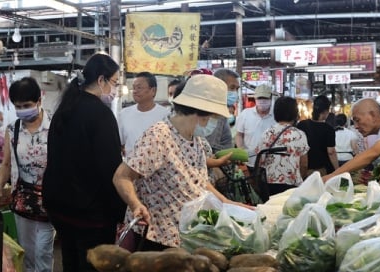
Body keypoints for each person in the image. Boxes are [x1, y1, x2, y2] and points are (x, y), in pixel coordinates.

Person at [112, 75, 246, 250]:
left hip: (185, 236)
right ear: (199, 113)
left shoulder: (196, 140)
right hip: (156, 238)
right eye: (213, 117)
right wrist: (135, 204)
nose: (214, 122)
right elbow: (121, 177)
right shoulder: (159, 136)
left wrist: (225, 202)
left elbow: (198, 180)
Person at [42, 53, 127, 272]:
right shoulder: (100, 114)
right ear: (101, 80)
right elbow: (110, 167)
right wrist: (120, 210)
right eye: (115, 82)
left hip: (61, 207)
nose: (115, 89)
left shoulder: (65, 109)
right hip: (91, 213)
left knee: (70, 268)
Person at [0, 77, 55, 272]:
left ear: (39, 99)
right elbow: (6, 165)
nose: (22, 110)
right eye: (18, 106)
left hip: (50, 199)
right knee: (28, 253)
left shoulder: (55, 126)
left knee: (44, 250)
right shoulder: (13, 129)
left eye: (27, 104)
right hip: (23, 199)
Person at [255, 96, 309, 197]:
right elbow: (304, 164)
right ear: (295, 113)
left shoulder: (266, 133)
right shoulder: (299, 134)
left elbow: (260, 161)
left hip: (269, 184)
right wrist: (301, 178)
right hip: (292, 183)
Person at [118, 72, 170, 156]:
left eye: (139, 88)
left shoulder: (166, 115)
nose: (135, 91)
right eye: (133, 88)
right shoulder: (124, 114)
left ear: (153, 90)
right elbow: (120, 143)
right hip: (130, 166)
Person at [235, 84, 276, 170]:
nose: (262, 101)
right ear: (255, 98)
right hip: (249, 161)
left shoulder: (276, 116)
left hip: (271, 163)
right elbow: (239, 135)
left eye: (265, 98)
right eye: (260, 98)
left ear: (271, 98)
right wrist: (241, 150)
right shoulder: (245, 114)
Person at [297, 95, 338, 177]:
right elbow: (331, 152)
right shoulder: (328, 129)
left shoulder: (302, 125)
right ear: (326, 111)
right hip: (321, 170)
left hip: (303, 169)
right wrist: (338, 170)